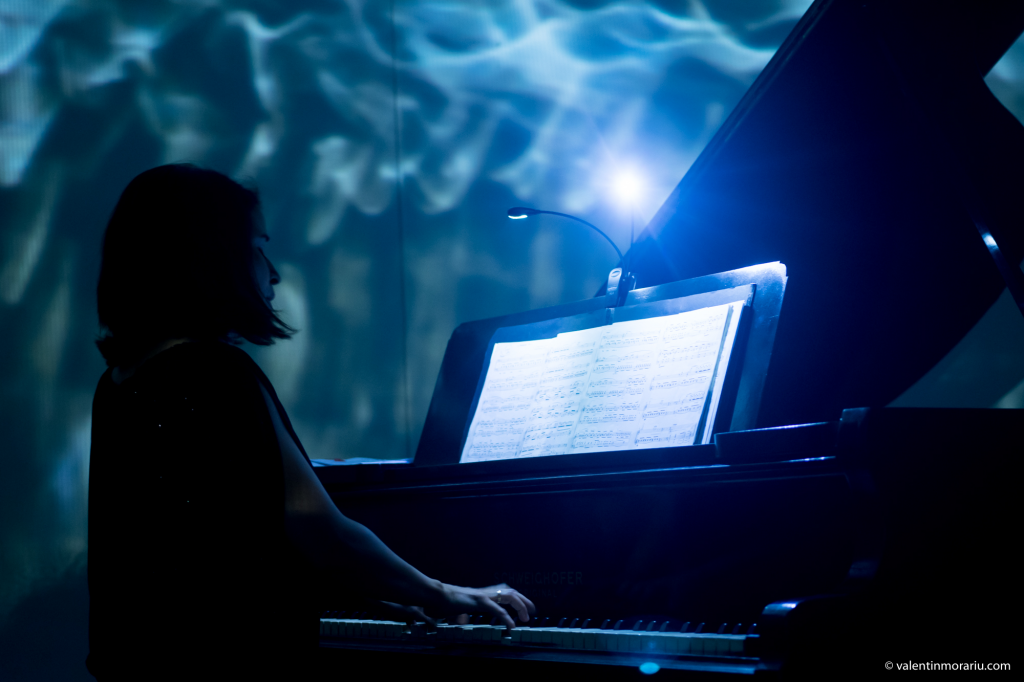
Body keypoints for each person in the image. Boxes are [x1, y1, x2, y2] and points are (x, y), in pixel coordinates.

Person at [87, 164, 533, 681]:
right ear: (212, 257)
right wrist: (445, 592)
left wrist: (371, 592)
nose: (272, 272)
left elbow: (212, 545)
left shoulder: (118, 383)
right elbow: (320, 531)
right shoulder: (216, 371)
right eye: (257, 247)